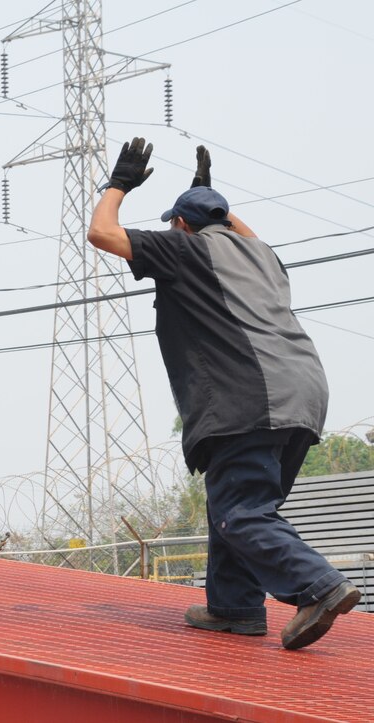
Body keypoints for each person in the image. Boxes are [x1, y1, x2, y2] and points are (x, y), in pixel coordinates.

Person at [85, 137, 360, 650]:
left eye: (176, 222)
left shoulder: (184, 249)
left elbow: (102, 232)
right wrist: (209, 197)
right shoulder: (262, 256)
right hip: (302, 393)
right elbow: (236, 229)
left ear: (183, 226)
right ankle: (234, 608)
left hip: (250, 397)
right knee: (234, 503)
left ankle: (319, 587)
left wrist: (118, 184)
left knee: (242, 512)